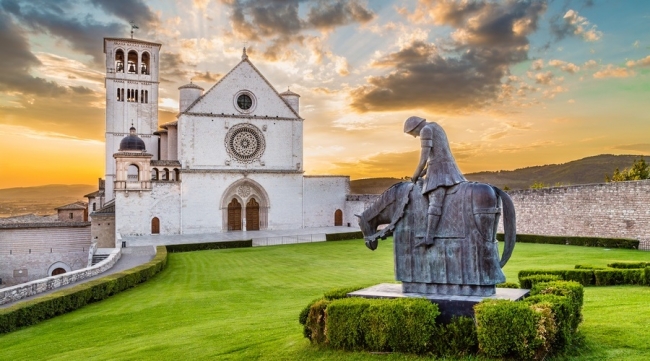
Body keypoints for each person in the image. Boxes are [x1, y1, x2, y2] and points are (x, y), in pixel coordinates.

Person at [403, 116, 467, 247]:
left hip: (441, 171)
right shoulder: (435, 126)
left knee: (435, 203)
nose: (414, 136)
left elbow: (424, 158)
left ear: (415, 127)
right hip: (444, 167)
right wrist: (424, 172)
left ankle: (429, 237)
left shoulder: (425, 130)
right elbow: (438, 156)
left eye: (412, 133)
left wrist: (415, 175)